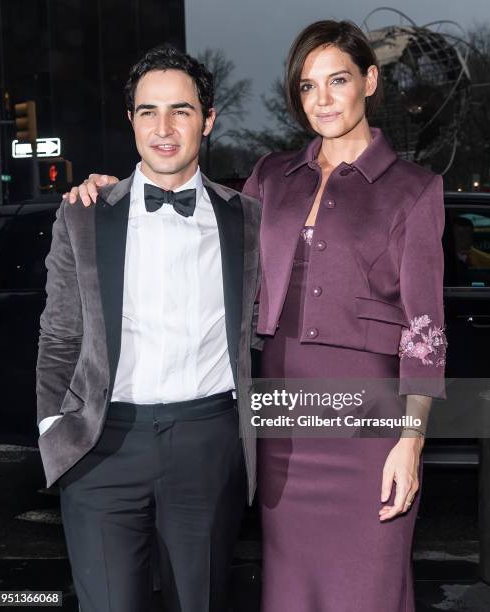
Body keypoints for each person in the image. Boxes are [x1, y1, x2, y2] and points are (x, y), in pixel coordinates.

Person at [70, 20, 447, 612]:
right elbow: (187, 209)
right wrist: (110, 188)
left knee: (367, 586)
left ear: (369, 82)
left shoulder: (415, 189)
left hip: (369, 426)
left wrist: (411, 439)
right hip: (282, 417)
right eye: (306, 86)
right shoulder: (273, 177)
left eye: (338, 80)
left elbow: (426, 330)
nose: (322, 99)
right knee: (289, 589)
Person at [36, 46, 261, 612]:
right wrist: (53, 429)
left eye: (181, 111)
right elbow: (59, 335)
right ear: (130, 119)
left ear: (208, 121)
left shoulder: (248, 220)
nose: (164, 128)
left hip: (208, 443)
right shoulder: (84, 212)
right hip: (101, 447)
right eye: (147, 111)